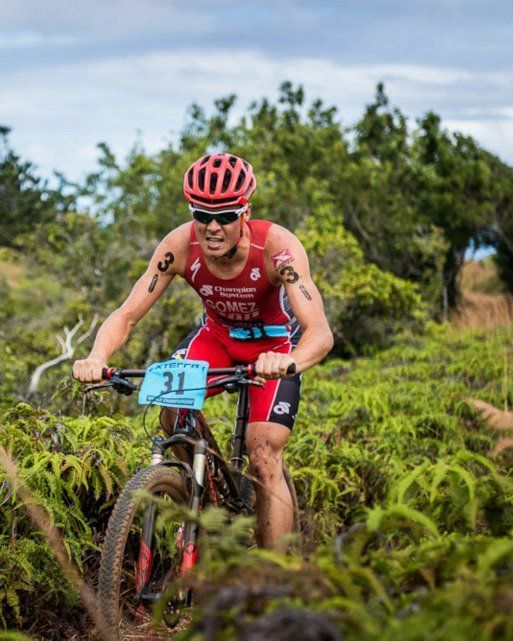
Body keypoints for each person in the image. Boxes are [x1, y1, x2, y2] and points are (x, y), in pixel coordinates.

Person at [72, 152, 334, 552]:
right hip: (217, 338)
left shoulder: (277, 247)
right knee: (171, 409)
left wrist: (289, 360)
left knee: (262, 453)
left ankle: (271, 582)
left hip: (273, 344)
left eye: (226, 215)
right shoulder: (178, 246)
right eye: (201, 214)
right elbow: (126, 314)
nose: (213, 227)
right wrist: (96, 358)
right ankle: (201, 492)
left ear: (245, 212)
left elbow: (319, 331)